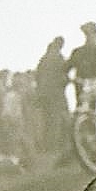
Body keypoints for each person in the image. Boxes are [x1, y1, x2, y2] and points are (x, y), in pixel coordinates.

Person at [34, 35, 73, 166]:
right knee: (60, 120)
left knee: (49, 121)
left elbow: (37, 77)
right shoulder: (58, 58)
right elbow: (64, 76)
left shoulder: (43, 59)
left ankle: (51, 147)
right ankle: (58, 148)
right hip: (56, 94)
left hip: (44, 96)